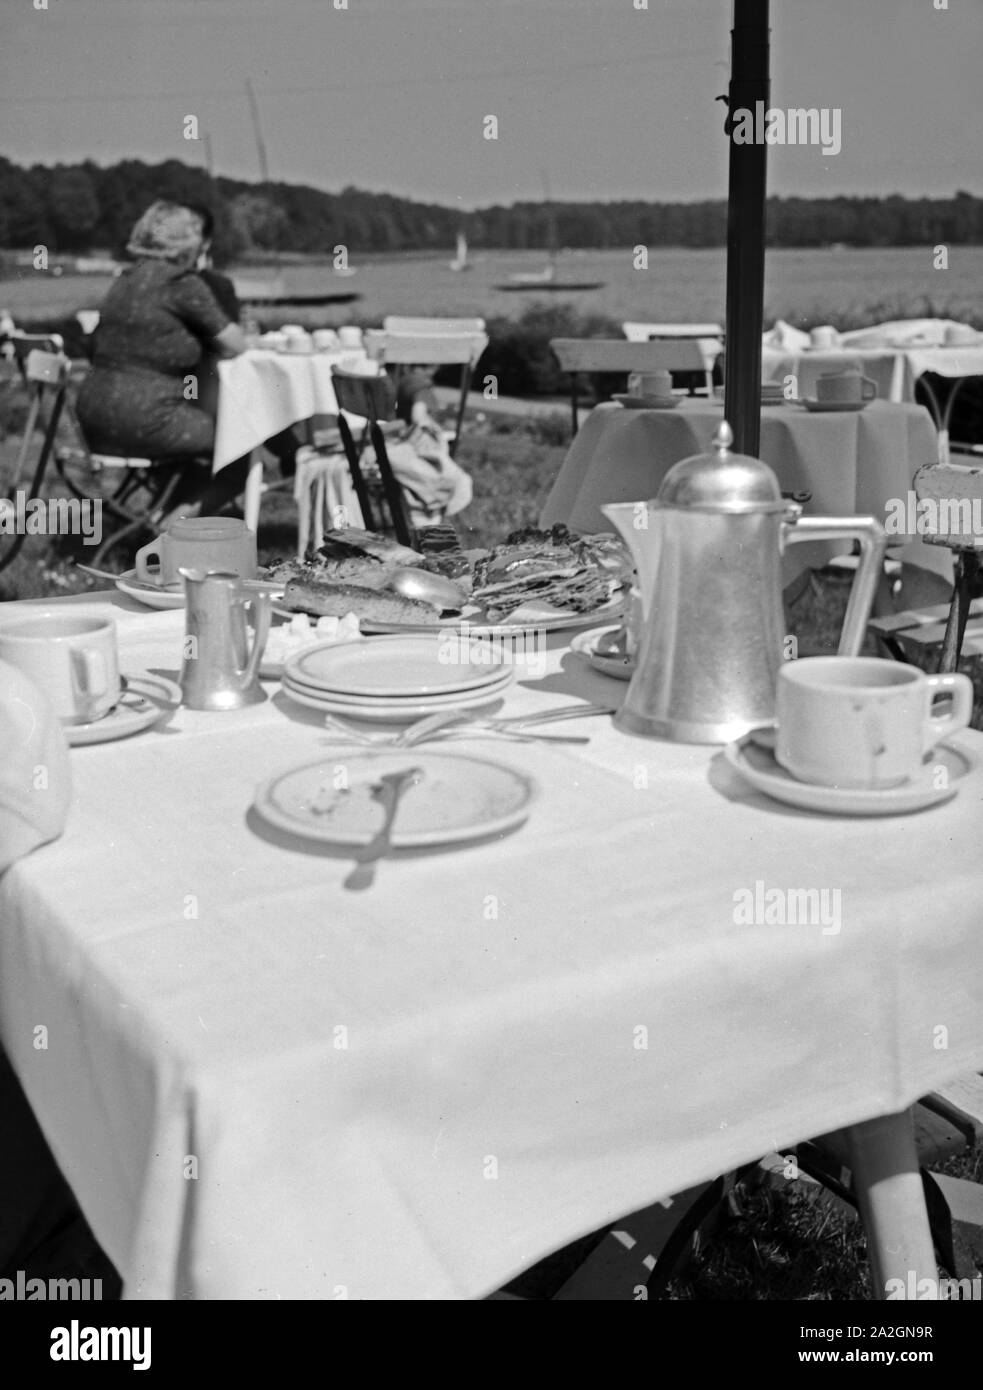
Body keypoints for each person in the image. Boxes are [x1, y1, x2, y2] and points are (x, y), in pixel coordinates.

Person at [75, 200, 248, 513]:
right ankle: (170, 527)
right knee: (239, 441)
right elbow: (236, 345)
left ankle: (163, 511)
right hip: (146, 420)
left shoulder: (125, 279)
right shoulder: (181, 283)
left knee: (205, 441)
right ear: (187, 242)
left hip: (93, 419)